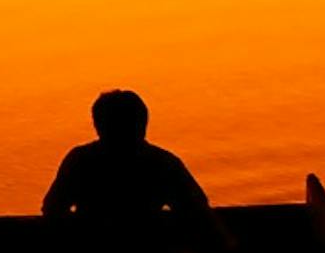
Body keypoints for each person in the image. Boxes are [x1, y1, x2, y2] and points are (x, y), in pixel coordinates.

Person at [41, 89, 212, 236]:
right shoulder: (163, 163)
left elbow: (52, 209)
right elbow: (196, 208)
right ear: (143, 123)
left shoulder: (80, 160)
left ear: (98, 125)